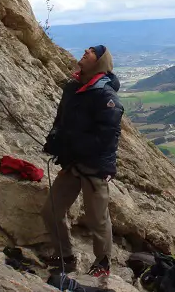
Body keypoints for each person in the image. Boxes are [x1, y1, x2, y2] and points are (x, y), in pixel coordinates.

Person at [41, 45, 124, 278]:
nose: (85, 53)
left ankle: (102, 264)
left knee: (97, 218)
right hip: (72, 160)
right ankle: (65, 256)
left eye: (90, 52)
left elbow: (108, 136)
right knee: (51, 210)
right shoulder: (73, 87)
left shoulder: (105, 96)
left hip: (94, 165)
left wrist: (101, 163)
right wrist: (55, 139)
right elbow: (62, 119)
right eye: (86, 50)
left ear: (99, 62)